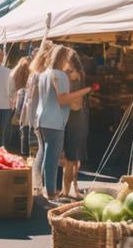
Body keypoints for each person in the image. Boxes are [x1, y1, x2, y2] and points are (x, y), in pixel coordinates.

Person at [36, 45, 93, 202]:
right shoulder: (59, 75)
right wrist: (85, 90)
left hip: (41, 119)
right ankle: (51, 192)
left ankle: (42, 189)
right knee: (52, 158)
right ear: (62, 59)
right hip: (54, 121)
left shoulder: (43, 74)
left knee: (45, 155)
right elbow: (63, 100)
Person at [23, 42, 54, 193]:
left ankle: (37, 184)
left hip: (37, 116)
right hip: (40, 116)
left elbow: (30, 99)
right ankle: (37, 184)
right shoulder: (41, 74)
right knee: (42, 150)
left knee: (41, 149)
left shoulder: (35, 72)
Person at [61, 49, 91, 199]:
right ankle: (73, 187)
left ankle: (67, 191)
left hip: (75, 116)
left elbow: (75, 102)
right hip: (80, 117)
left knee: (71, 156)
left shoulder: (71, 75)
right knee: (74, 156)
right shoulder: (79, 73)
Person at [9, 58, 31, 155]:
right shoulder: (30, 75)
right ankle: (22, 149)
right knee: (24, 127)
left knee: (14, 126)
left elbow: (10, 90)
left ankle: (13, 147)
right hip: (25, 103)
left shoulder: (14, 74)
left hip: (14, 103)